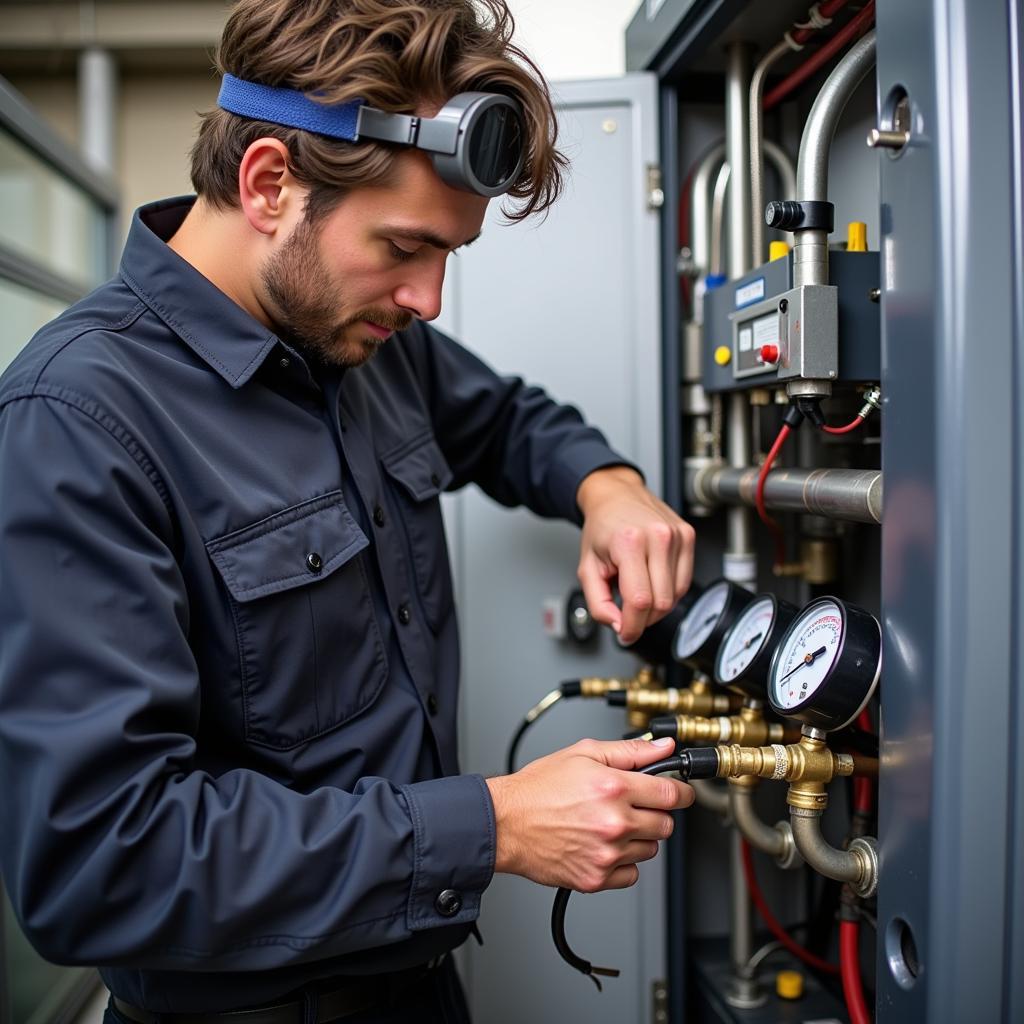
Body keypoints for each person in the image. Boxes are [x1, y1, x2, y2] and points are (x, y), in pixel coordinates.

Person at [0, 2, 696, 1021]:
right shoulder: (76, 422)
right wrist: (490, 826)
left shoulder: (356, 333)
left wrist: (608, 486)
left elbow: (505, 421)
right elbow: (104, 862)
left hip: (417, 983)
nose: (428, 300)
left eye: (449, 254)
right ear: (270, 183)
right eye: (405, 246)